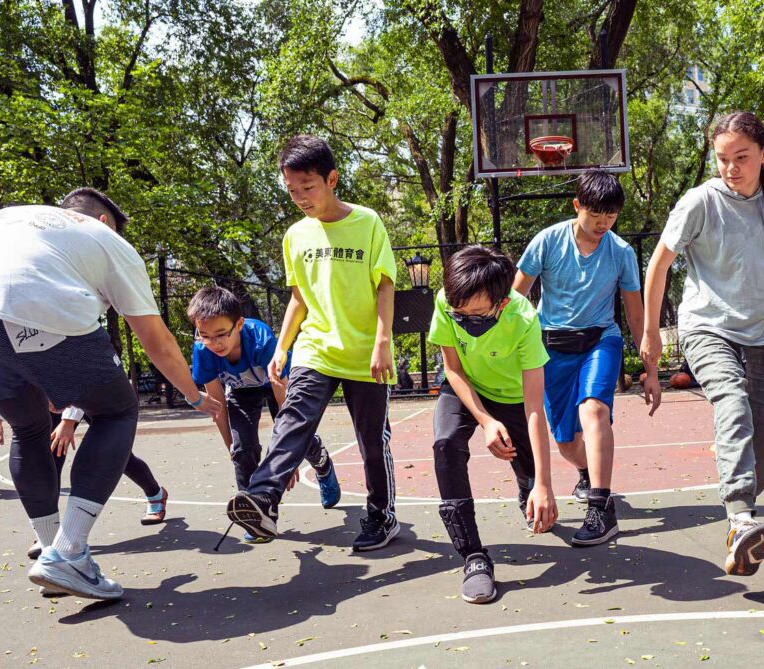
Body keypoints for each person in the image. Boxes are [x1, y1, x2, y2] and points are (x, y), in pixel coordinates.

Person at [0, 188, 220, 600]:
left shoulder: (14, 218)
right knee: (116, 410)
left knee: (29, 429)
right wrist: (193, 395)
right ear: (105, 222)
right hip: (30, 304)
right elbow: (157, 342)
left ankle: (50, 552)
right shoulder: (105, 238)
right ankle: (67, 554)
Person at [641, 111, 764, 577]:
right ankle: (739, 519)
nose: (731, 167)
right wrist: (651, 331)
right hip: (706, 326)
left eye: (741, 157)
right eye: (722, 159)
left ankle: (745, 511)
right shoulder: (699, 202)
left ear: (763, 153)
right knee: (732, 402)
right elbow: (658, 264)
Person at [225, 135, 400, 551]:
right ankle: (264, 495)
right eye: (291, 190)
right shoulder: (295, 236)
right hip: (316, 347)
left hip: (363, 353)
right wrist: (283, 346)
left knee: (372, 442)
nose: (300, 197)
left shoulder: (368, 222)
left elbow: (386, 286)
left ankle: (381, 516)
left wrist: (382, 341)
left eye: (308, 187)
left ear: (332, 179)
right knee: (292, 420)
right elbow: (299, 296)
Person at [513, 170, 661, 547]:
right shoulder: (547, 242)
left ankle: (601, 508)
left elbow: (634, 314)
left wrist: (651, 370)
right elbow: (515, 300)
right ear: (577, 205)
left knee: (594, 410)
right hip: (551, 348)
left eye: (611, 216)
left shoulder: (621, 252)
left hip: (600, 340)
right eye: (596, 214)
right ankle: (585, 471)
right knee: (565, 443)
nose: (603, 223)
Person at [428, 245, 556, 604]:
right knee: (446, 443)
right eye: (459, 315)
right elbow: (451, 369)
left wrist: (543, 485)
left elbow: (534, 407)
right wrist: (485, 420)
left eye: (478, 316)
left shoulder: (525, 319)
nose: (467, 322)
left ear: (501, 304)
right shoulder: (447, 300)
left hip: (514, 397)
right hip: (465, 387)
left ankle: (524, 483)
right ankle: (473, 557)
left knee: (529, 472)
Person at [188, 285, 340, 543]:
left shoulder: (260, 339)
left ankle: (322, 462)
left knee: (297, 435)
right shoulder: (204, 352)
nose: (214, 343)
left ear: (239, 324)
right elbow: (217, 406)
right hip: (240, 392)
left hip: (276, 387)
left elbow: (284, 402)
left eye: (221, 334)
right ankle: (257, 517)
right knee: (243, 451)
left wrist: (286, 459)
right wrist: (232, 449)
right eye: (205, 335)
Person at [0, 404, 170, 559]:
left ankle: (155, 493)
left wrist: (68, 421)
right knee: (51, 456)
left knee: (116, 456)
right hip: (54, 392)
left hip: (92, 388)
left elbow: (77, 372)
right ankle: (49, 531)